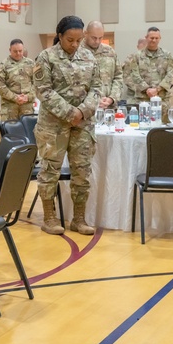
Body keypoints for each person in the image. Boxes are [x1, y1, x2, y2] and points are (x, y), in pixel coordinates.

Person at [32, 16, 101, 236]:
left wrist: (82, 112)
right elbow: (44, 91)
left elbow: (97, 88)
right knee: (49, 171)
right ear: (60, 36)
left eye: (78, 40)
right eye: (70, 39)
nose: (74, 44)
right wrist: (70, 113)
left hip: (82, 125)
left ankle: (79, 219)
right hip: (53, 126)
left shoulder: (89, 57)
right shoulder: (46, 57)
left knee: (82, 172)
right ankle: (49, 217)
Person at [126, 27, 173, 119]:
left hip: (162, 99)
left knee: (161, 129)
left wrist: (157, 89)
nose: (154, 40)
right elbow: (134, 74)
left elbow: (171, 74)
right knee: (142, 126)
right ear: (146, 38)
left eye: (156, 38)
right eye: (151, 38)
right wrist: (147, 89)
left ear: (160, 38)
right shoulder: (137, 56)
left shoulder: (167, 55)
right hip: (142, 99)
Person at [81, 21, 122, 109]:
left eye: (100, 38)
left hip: (109, 108)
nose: (97, 41)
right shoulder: (77, 52)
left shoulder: (110, 51)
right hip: (85, 110)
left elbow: (118, 77)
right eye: (94, 38)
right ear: (85, 33)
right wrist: (93, 101)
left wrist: (111, 98)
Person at [0, 39, 35, 121]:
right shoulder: (3, 66)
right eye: (15, 51)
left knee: (28, 132)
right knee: (10, 132)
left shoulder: (31, 64)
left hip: (27, 108)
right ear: (10, 50)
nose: (18, 53)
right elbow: (0, 87)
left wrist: (28, 97)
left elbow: (37, 83)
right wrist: (15, 97)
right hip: (10, 108)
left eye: (20, 51)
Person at [122, 37, 147, 102]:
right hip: (133, 94)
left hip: (149, 94)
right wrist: (140, 88)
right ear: (137, 47)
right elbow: (126, 76)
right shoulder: (131, 58)